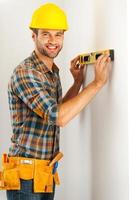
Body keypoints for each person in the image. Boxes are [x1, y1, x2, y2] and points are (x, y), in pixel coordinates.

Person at [6, 2, 111, 200]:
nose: (53, 40)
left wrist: (78, 82)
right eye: (46, 34)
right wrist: (97, 83)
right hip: (26, 174)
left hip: (46, 170)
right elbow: (59, 117)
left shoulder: (51, 72)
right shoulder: (27, 72)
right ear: (34, 36)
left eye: (58, 34)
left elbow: (55, 110)